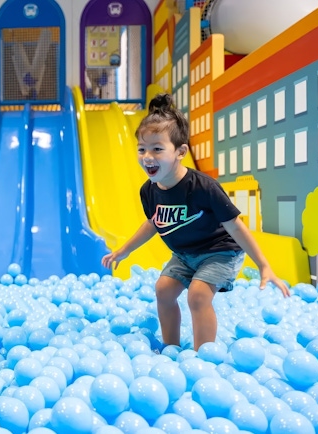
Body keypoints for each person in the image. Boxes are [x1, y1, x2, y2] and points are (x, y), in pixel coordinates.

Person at [102, 94, 290, 351]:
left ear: (180, 152)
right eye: (141, 149)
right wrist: (123, 251)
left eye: (157, 149)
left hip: (220, 251)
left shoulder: (203, 187)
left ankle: (204, 355)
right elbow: (153, 224)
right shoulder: (149, 190)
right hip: (184, 254)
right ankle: (171, 348)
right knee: (163, 291)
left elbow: (235, 225)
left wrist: (263, 265)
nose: (147, 156)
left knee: (198, 295)